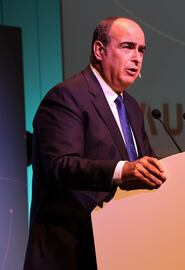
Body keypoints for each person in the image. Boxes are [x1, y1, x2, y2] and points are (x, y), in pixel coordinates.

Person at [23, 17, 167, 269]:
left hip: (121, 249)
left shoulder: (131, 107)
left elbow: (144, 165)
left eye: (141, 50)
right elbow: (61, 166)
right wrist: (123, 171)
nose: (136, 57)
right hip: (70, 252)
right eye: (127, 47)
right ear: (99, 50)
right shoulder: (67, 97)